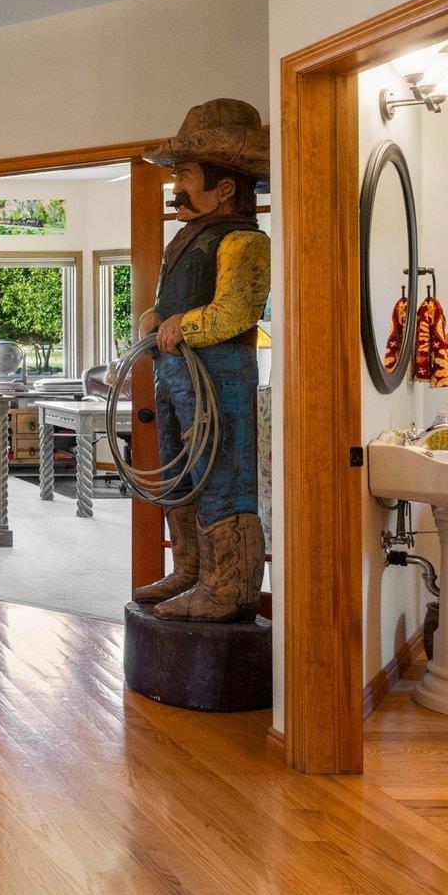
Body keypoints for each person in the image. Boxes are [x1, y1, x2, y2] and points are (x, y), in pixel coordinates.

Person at [130, 99, 271, 621]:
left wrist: (180, 326)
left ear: (225, 187)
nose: (177, 185)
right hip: (175, 374)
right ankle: (190, 569)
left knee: (221, 473)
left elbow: (236, 311)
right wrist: (154, 316)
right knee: (178, 472)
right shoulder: (183, 240)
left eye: (187, 174)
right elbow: (175, 302)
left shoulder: (245, 241)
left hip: (220, 377)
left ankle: (227, 586)